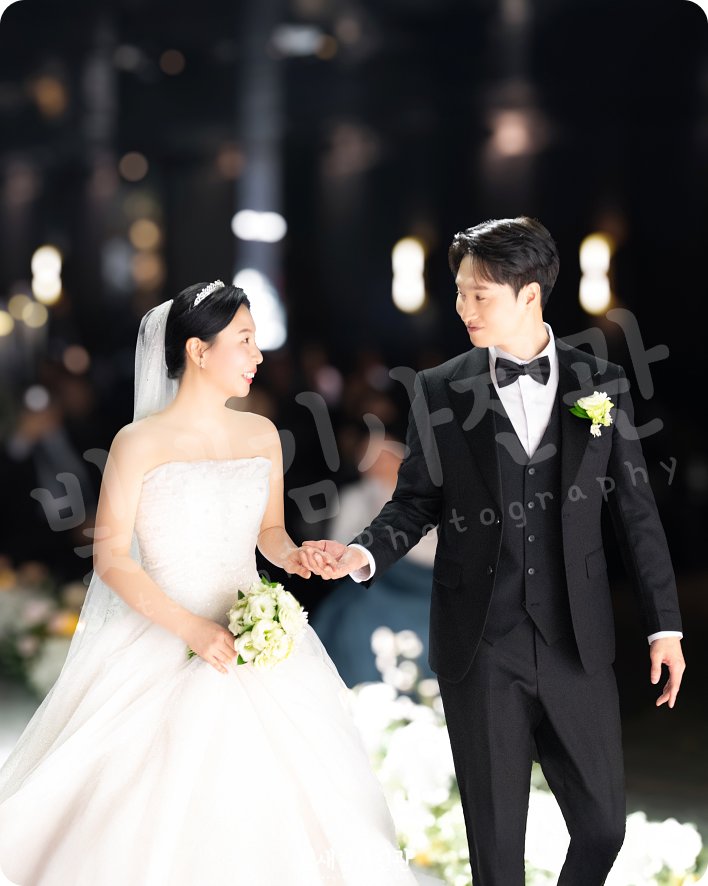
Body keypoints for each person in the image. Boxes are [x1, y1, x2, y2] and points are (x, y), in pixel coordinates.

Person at [0, 281, 439, 886]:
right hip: (163, 633)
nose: (258, 355)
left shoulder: (260, 434)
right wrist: (190, 629)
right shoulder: (138, 442)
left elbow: (269, 533)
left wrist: (297, 556)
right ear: (198, 350)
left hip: (250, 634)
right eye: (245, 341)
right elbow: (112, 559)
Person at [301, 217, 686, 886]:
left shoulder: (602, 383)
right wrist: (361, 555)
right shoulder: (439, 388)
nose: (463, 308)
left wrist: (665, 626)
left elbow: (636, 512)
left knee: (604, 826)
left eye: (479, 294)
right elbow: (414, 502)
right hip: (480, 644)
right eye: (459, 292)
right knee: (497, 853)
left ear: (529, 294)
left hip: (576, 640)